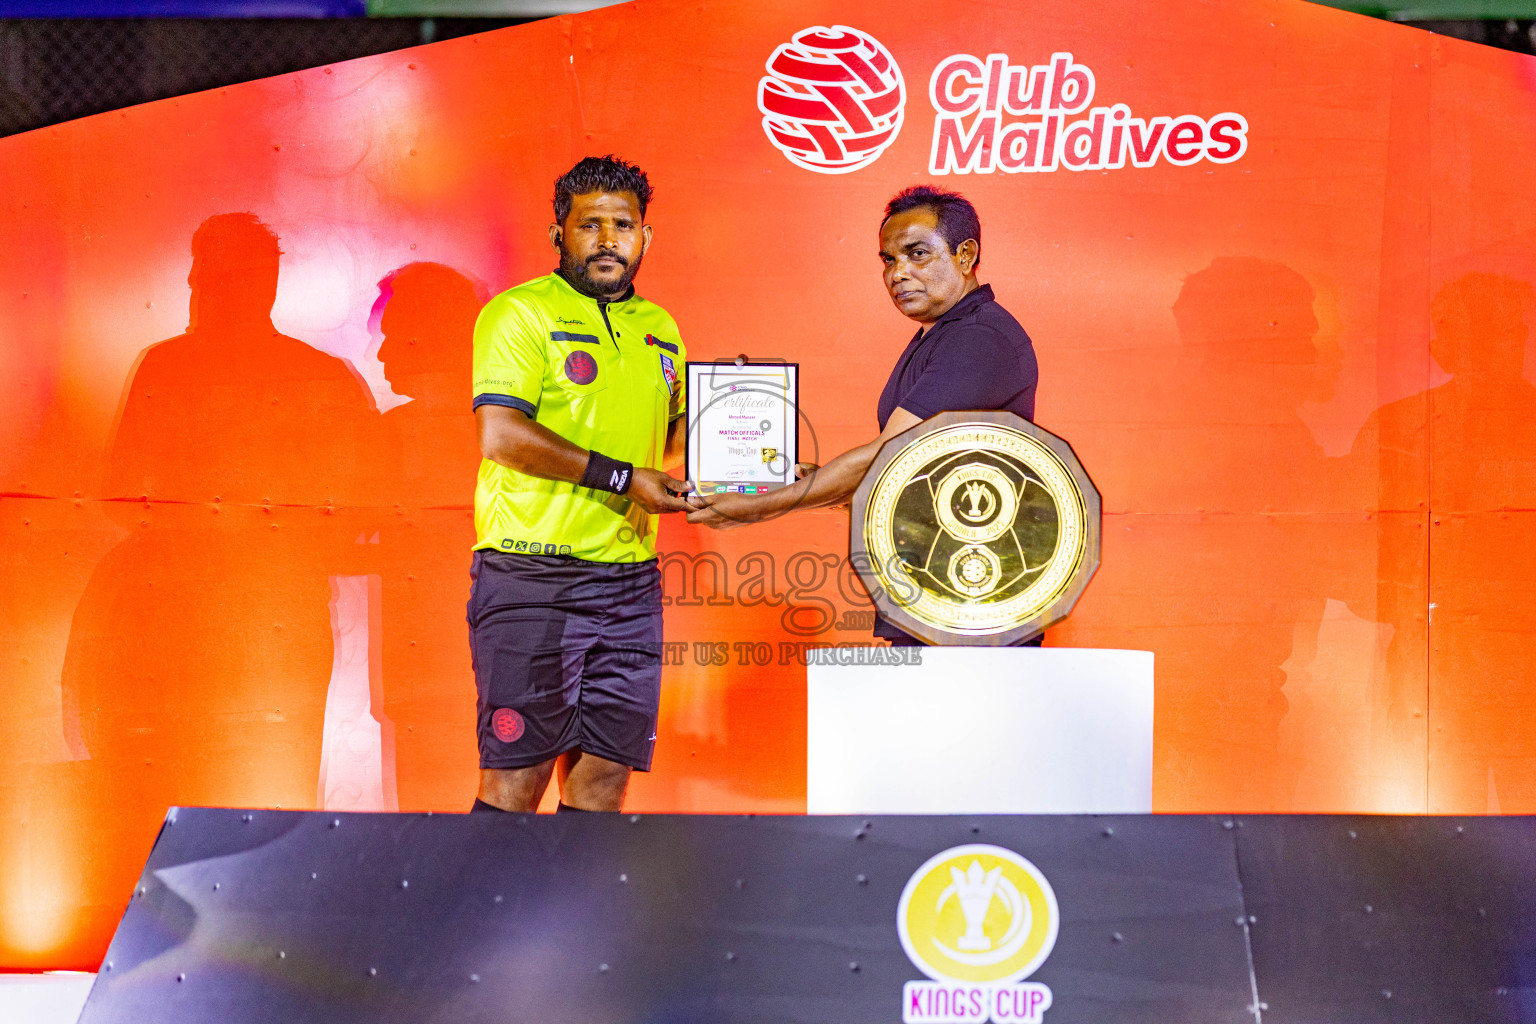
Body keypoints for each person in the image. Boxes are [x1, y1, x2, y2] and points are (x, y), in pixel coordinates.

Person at [687, 185, 1039, 647]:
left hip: (971, 598)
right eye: (888, 260)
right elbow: (909, 476)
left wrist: (759, 505)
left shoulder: (978, 338)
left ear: (965, 254)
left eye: (917, 254)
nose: (899, 273)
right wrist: (820, 490)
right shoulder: (941, 335)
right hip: (935, 592)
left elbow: (887, 458)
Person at [469, 155, 693, 813]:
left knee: (602, 783)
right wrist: (624, 481)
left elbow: (669, 443)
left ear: (644, 237)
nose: (607, 240)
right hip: (534, 576)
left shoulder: (661, 328)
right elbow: (503, 435)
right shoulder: (519, 315)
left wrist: (749, 447)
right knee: (518, 779)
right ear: (557, 234)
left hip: (629, 581)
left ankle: (574, 920)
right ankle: (485, 916)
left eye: (623, 225)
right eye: (588, 224)